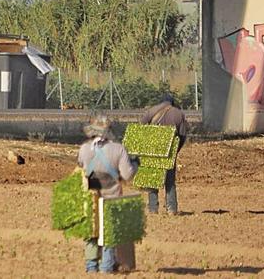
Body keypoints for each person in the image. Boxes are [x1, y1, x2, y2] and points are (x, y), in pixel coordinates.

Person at [77, 114, 136, 274]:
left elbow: (81, 168)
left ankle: (91, 267)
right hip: (112, 198)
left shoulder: (84, 149)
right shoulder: (118, 149)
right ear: (109, 131)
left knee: (91, 233)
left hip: (90, 198)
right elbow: (127, 175)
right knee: (108, 233)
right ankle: (106, 268)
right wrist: (135, 164)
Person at [140, 92, 188, 215]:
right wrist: (175, 150)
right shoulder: (179, 114)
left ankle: (152, 208)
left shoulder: (151, 111)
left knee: (153, 179)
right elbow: (182, 136)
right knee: (170, 180)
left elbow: (141, 130)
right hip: (170, 150)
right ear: (172, 102)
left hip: (154, 150)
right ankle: (171, 209)